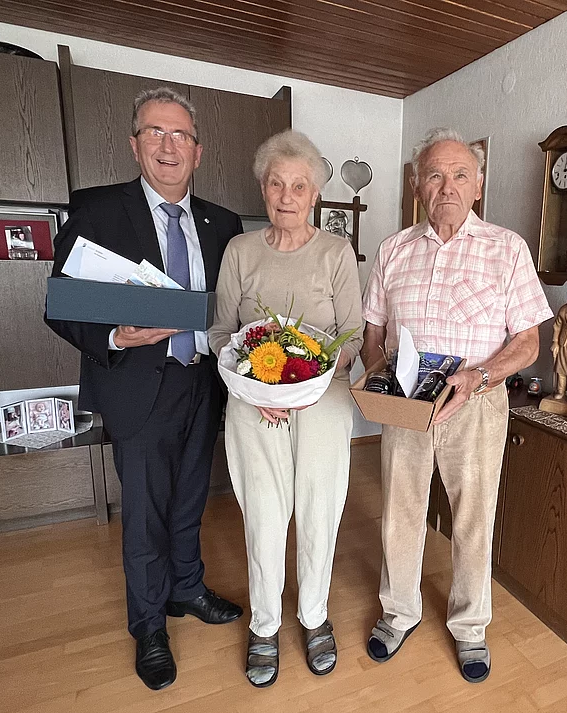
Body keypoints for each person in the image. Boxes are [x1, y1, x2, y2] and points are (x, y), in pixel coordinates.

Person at [45, 88, 244, 691]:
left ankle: (186, 589)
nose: (167, 145)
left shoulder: (223, 224)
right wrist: (114, 335)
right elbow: (60, 303)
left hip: (202, 382)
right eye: (155, 132)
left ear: (198, 151)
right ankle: (149, 625)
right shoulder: (97, 210)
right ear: (135, 145)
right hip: (136, 383)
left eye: (179, 134)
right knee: (144, 512)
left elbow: (230, 306)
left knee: (189, 498)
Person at [360, 128, 552, 684]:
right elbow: (374, 333)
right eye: (435, 175)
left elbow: (528, 343)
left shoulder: (507, 248)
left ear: (478, 185)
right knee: (400, 510)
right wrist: (379, 376)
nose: (447, 186)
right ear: (417, 185)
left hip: (477, 403)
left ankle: (470, 627)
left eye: (460, 175)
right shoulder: (393, 250)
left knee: (473, 517)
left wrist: (478, 376)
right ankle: (399, 612)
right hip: (407, 403)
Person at [207, 129, 363, 688]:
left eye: (300, 186)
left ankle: (315, 616)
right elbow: (222, 333)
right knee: (265, 517)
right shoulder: (240, 251)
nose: (287, 195)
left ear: (315, 194)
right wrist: (259, 390)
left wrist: (306, 383)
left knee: (320, 512)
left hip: (322, 401)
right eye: (277, 184)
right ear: (263, 189)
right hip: (255, 406)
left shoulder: (336, 253)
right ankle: (266, 625)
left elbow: (352, 335)